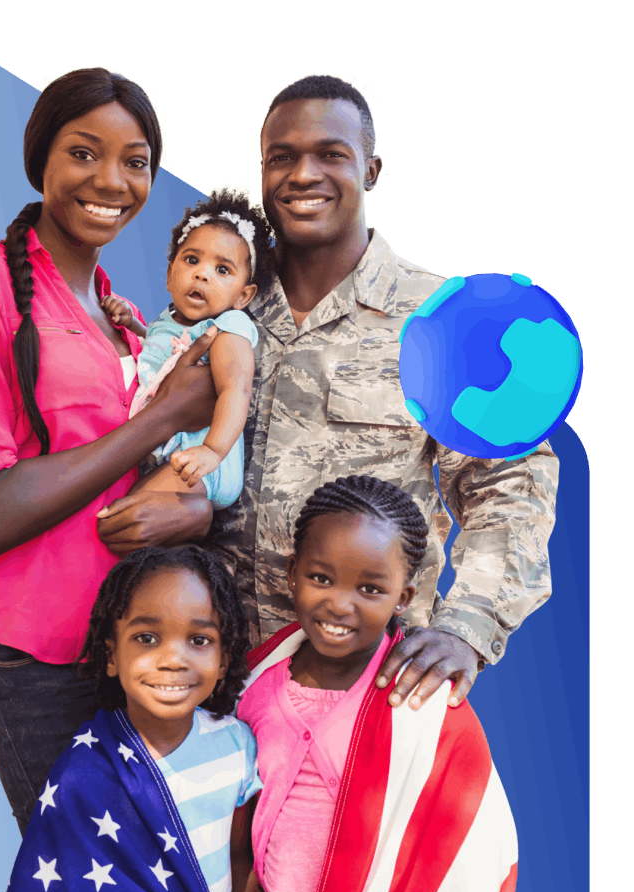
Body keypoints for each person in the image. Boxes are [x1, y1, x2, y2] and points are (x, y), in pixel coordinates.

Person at [98, 72, 559, 715]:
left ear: (372, 168)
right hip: (207, 682)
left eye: (330, 154)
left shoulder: (439, 321)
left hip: (361, 689)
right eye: (281, 157)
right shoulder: (219, 301)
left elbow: (510, 485)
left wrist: (467, 625)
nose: (302, 175)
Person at [0, 66, 219, 837]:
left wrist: (187, 507)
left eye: (135, 162)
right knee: (88, 891)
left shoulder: (126, 320)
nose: (110, 181)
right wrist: (161, 417)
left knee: (157, 887)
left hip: (139, 652)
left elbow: (153, 478)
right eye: (84, 153)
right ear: (39, 158)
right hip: (40, 659)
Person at [0, 544, 319, 892]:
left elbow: (241, 868)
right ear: (110, 655)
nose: (173, 659)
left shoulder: (237, 745)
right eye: (146, 638)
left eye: (199, 640)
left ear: (223, 660)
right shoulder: (84, 774)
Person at [237, 474, 517, 892]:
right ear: (292, 574)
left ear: (403, 597)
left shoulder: (423, 709)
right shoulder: (254, 691)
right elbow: (240, 850)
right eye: (321, 578)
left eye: (369, 589)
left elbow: (465, 861)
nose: (340, 605)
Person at [99, 183, 275, 510]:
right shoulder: (168, 319)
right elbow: (161, 352)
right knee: (120, 509)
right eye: (192, 260)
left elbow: (236, 389)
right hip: (167, 454)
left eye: (222, 270)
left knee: (125, 513)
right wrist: (132, 324)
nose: (202, 275)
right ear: (169, 275)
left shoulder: (228, 327)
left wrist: (212, 451)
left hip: (201, 463)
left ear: (243, 296)